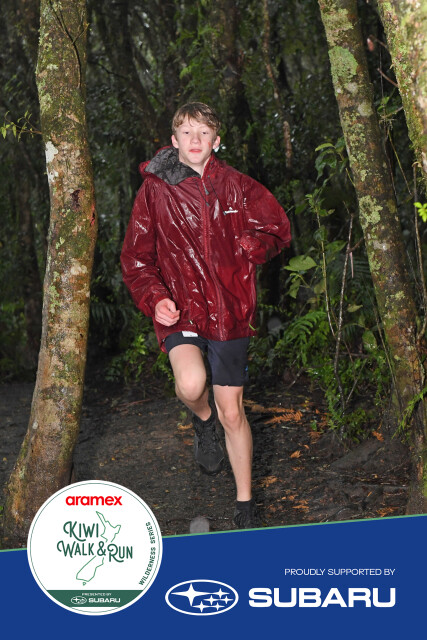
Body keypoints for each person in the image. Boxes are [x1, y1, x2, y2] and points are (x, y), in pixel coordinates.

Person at [121, 102, 291, 529]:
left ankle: (245, 506)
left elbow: (277, 229)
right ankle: (202, 420)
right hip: (180, 309)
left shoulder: (238, 186)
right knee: (192, 384)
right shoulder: (155, 189)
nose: (194, 140)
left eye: (203, 133)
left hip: (230, 309)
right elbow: (136, 258)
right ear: (174, 139)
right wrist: (155, 298)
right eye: (186, 132)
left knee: (233, 412)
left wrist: (253, 246)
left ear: (216, 141)